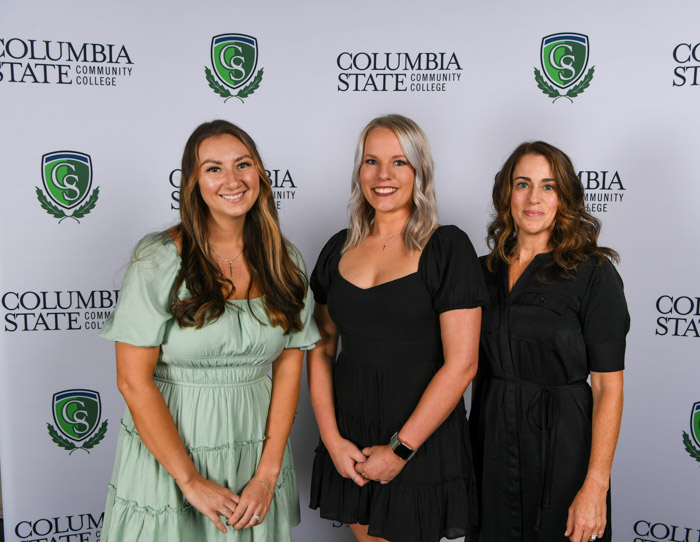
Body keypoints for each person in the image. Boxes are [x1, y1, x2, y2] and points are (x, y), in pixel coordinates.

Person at [99, 120, 320, 541]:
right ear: (193, 182)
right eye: (214, 168)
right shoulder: (160, 256)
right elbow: (132, 380)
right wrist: (190, 481)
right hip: (171, 453)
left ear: (260, 175)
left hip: (255, 450)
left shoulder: (285, 260)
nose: (232, 180)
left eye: (243, 165)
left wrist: (267, 476)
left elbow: (291, 367)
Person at [307, 114, 488, 542]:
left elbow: (462, 365)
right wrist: (333, 441)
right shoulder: (337, 248)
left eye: (399, 162)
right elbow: (319, 348)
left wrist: (400, 450)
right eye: (371, 161)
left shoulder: (449, 248)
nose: (383, 175)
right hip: (351, 437)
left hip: (419, 439)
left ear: (419, 170)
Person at [471, 141, 629, 542]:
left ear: (564, 197)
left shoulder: (593, 273)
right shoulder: (479, 273)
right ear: (506, 193)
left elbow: (609, 387)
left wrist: (596, 485)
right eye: (523, 184)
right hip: (490, 446)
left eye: (548, 186)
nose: (533, 198)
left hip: (564, 450)